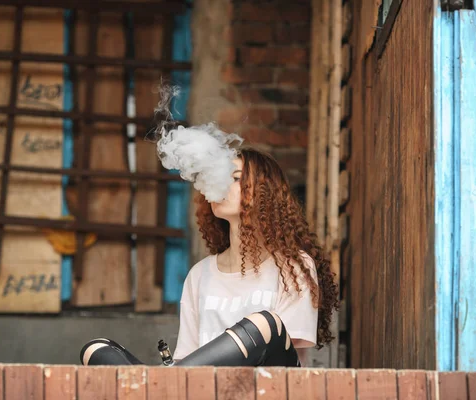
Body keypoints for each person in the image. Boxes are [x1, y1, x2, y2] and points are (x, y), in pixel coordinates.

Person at [80, 147, 340, 367]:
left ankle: (160, 387)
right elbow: (187, 356)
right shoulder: (200, 274)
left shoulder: (295, 266)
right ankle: (162, 387)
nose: (220, 183)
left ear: (264, 192)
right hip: (200, 388)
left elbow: (284, 351)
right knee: (96, 349)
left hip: (267, 388)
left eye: (235, 177)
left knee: (266, 324)